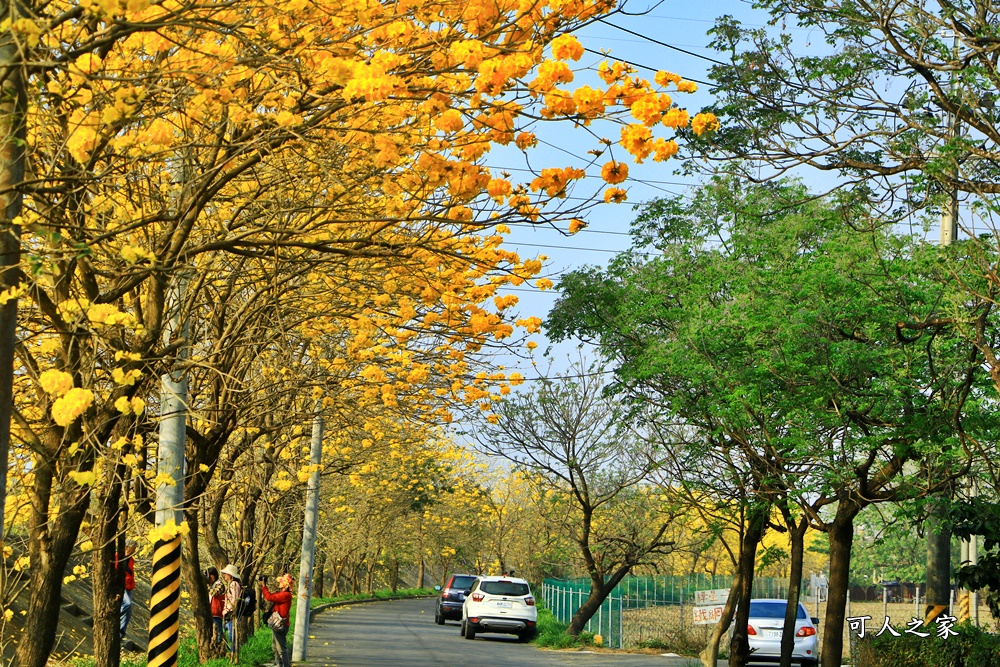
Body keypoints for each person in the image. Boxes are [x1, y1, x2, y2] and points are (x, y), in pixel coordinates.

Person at [261, 574, 293, 667]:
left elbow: (269, 597)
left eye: (281, 582)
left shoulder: (285, 595)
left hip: (280, 625)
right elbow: (273, 596)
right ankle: (279, 664)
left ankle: (285, 665)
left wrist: (264, 586)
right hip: (278, 624)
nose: (279, 583)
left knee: (281, 649)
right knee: (275, 647)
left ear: (285, 584)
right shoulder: (284, 594)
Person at [116, 539, 137, 643]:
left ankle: (121, 632)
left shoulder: (131, 559)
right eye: (133, 548)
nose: (135, 550)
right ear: (128, 547)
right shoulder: (117, 556)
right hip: (121, 585)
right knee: (127, 604)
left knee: (129, 611)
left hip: (128, 587)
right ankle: (116, 623)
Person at [221, 564, 243, 662]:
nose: (224, 575)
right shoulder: (233, 584)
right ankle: (232, 654)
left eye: (226, 574)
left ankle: (233, 655)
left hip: (232, 614)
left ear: (230, 575)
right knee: (230, 634)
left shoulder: (234, 584)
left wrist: (227, 610)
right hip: (231, 613)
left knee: (232, 635)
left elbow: (234, 600)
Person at [207, 567, 227, 647]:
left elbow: (214, 593)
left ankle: (220, 646)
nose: (209, 578)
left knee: (218, 632)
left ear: (214, 575)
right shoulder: (211, 585)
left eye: (210, 576)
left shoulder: (219, 584)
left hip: (217, 612)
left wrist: (207, 585)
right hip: (210, 612)